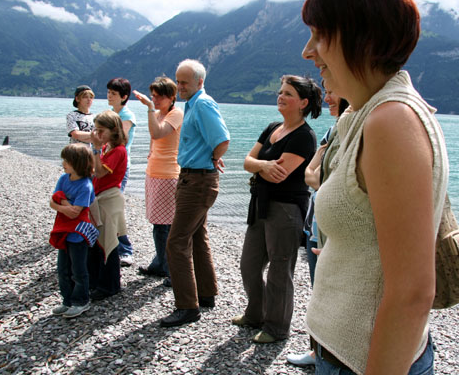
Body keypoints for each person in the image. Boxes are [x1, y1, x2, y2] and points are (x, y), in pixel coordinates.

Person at [300, 0, 449, 374]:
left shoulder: (391, 121)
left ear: (361, 36)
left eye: (318, 35)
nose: (307, 51)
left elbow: (413, 293)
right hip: (343, 354)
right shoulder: (362, 113)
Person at [232, 75, 321, 344]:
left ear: (303, 103)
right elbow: (248, 162)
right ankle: (255, 314)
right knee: (249, 265)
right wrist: (261, 166)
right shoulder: (272, 127)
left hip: (286, 210)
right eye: (280, 92)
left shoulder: (305, 136)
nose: (280, 97)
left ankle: (277, 328)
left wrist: (259, 167)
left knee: (280, 271)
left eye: (288, 94)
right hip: (261, 204)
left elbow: (278, 175)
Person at [159, 59, 230, 328]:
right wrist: (210, 156)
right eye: (178, 81)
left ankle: (187, 306)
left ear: (200, 82)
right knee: (198, 236)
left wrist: (213, 157)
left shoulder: (202, 103)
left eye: (184, 82)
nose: (179, 86)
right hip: (193, 178)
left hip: (198, 181)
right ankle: (207, 294)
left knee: (176, 243)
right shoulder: (191, 104)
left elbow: (222, 139)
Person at [286, 84, 348, 366]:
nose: (329, 99)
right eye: (327, 91)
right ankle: (317, 352)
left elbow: (320, 178)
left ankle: (334, 355)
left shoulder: (347, 133)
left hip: (332, 230)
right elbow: (308, 174)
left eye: (334, 92)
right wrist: (319, 175)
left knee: (333, 295)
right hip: (316, 225)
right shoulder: (330, 132)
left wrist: (318, 175)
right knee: (318, 292)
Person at [133, 77, 183, 278]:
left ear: (172, 97)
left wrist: (147, 108)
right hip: (154, 172)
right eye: (153, 96)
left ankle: (170, 269)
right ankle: (161, 263)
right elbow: (154, 141)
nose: (155, 100)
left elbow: (157, 133)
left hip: (168, 174)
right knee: (158, 224)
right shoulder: (158, 113)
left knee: (166, 225)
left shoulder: (176, 113)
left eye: (159, 96)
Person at [49, 143, 98, 318]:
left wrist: (61, 203)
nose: (63, 163)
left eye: (67, 160)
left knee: (78, 269)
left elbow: (75, 213)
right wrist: (64, 205)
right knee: (63, 269)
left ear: (77, 163)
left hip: (78, 233)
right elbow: (52, 201)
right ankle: (67, 300)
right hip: (64, 230)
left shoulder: (85, 185)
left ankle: (81, 301)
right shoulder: (64, 178)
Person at [88, 110, 128, 301]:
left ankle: (109, 285)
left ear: (113, 131)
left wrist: (95, 148)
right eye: (96, 130)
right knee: (99, 242)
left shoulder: (118, 150)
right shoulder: (108, 148)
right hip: (102, 197)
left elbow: (101, 172)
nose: (98, 134)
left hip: (109, 199)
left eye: (101, 130)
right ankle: (98, 281)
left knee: (108, 243)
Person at [107, 78, 135, 267]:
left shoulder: (127, 115)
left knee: (114, 208)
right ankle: (109, 246)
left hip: (120, 166)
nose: (109, 95)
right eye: (109, 92)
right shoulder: (110, 113)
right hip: (106, 163)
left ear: (124, 97)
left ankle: (125, 250)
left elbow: (120, 139)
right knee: (106, 207)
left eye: (113, 93)